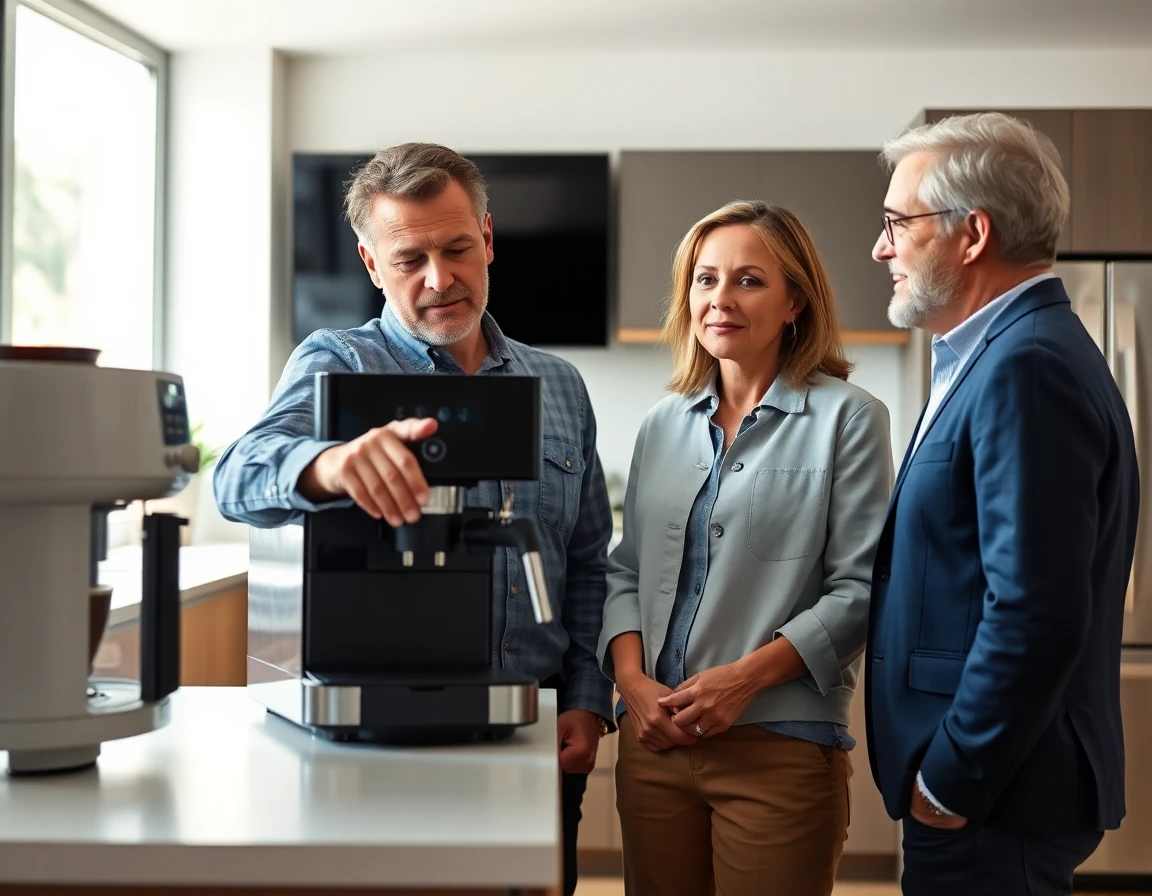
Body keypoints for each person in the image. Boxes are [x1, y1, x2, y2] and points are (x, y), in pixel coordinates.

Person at [213, 142, 614, 896]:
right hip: (372, 748)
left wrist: (588, 701)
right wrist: (327, 464)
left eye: (458, 249)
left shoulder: (558, 385)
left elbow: (589, 560)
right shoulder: (339, 363)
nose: (440, 280)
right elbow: (233, 478)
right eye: (410, 260)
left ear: (488, 240)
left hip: (530, 729)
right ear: (371, 264)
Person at [866, 112, 1140, 895]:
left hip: (993, 795)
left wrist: (950, 781)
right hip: (995, 791)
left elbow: (1033, 612)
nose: (882, 247)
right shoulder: (996, 352)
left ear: (971, 233)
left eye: (897, 223)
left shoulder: (1026, 366)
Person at [597, 200, 894, 895]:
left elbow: (860, 589)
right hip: (654, 746)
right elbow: (626, 570)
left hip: (779, 748)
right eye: (705, 279)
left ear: (796, 301)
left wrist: (742, 681)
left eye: (749, 280)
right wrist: (633, 686)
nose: (720, 299)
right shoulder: (661, 424)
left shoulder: (849, 419)